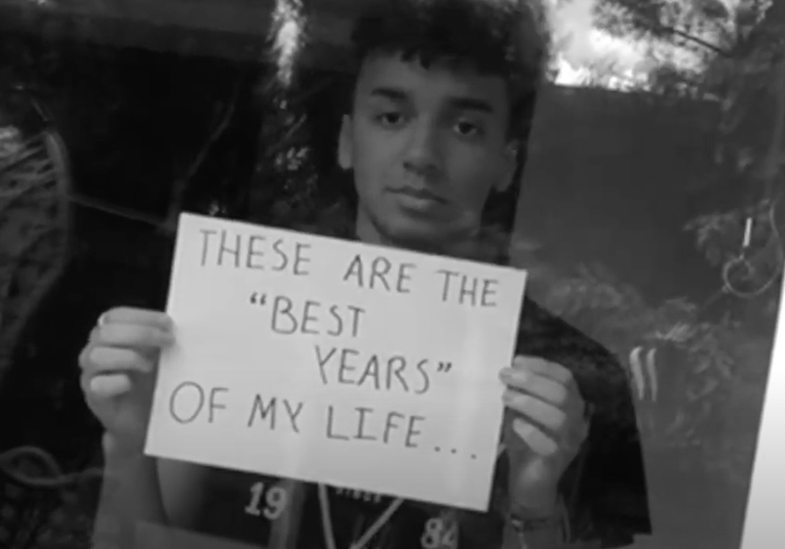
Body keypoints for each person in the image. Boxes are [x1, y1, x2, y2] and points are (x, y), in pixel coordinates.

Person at [79, 1, 651, 548]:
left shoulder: (566, 379)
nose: (422, 154)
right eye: (392, 116)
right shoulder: (240, 313)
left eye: (466, 128)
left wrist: (536, 502)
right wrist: (127, 443)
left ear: (507, 162)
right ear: (350, 141)